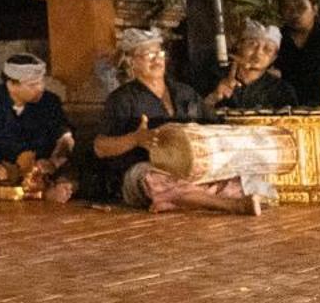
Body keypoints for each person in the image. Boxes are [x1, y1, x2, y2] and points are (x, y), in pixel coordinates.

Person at [94, 27, 270, 215]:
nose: (157, 59)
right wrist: (136, 139)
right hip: (144, 170)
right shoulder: (121, 98)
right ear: (131, 62)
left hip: (188, 167)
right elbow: (100, 147)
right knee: (155, 180)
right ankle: (230, 205)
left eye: (159, 52)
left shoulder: (183, 92)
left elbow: (210, 122)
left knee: (238, 171)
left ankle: (180, 200)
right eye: (148, 54)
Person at [0, 53, 75, 202]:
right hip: (4, 166)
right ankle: (44, 194)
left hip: (40, 166)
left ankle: (48, 189)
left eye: (41, 82)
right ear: (11, 85)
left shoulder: (50, 102)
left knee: (70, 176)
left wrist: (53, 162)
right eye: (32, 84)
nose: (40, 88)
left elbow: (66, 139)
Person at [209, 22, 300, 111]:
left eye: (268, 49)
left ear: (274, 58)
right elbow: (196, 116)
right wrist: (214, 96)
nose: (258, 53)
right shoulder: (213, 77)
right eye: (252, 44)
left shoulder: (282, 90)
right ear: (239, 46)